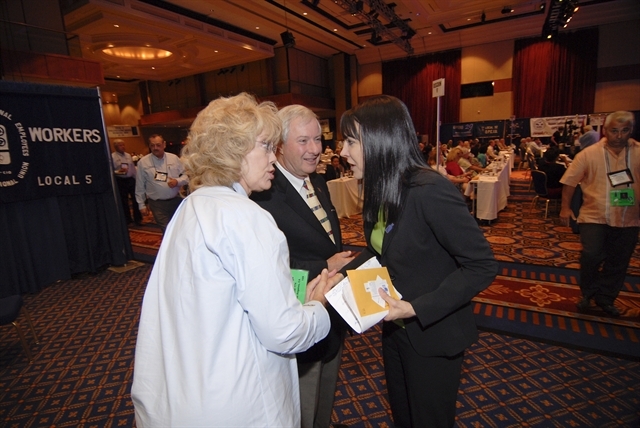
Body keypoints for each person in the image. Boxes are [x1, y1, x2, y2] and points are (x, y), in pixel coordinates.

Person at [131, 93, 340, 427]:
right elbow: (285, 332)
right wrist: (318, 305)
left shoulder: (190, 207)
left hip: (187, 394)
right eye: (266, 146)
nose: (273, 157)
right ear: (234, 150)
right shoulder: (248, 217)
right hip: (241, 403)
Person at [339, 95, 498, 427]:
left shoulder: (429, 190)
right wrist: (338, 279)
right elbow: (379, 251)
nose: (342, 152)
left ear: (380, 140)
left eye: (351, 141)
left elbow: (481, 265)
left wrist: (416, 308)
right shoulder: (382, 189)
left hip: (433, 334)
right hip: (396, 331)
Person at [251, 104, 354, 428]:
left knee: (324, 400)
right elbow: (266, 262)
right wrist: (323, 265)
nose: (315, 149)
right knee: (301, 408)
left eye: (318, 139)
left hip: (330, 314)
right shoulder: (264, 193)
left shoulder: (317, 181)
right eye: (303, 141)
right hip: (296, 319)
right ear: (280, 146)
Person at [560, 111, 640, 317]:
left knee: (619, 260)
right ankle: (588, 293)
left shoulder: (639, 152)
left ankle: (606, 298)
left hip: (629, 217)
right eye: (614, 131)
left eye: (625, 131)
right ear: (605, 130)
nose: (619, 136)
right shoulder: (588, 154)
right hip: (594, 215)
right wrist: (565, 207)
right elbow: (569, 181)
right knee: (591, 255)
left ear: (631, 130)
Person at [135, 134, 189, 232]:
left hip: (175, 201)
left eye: (158, 145)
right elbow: (140, 185)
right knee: (167, 230)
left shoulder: (174, 158)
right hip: (157, 204)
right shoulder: (143, 162)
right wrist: (141, 205)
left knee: (179, 229)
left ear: (164, 144)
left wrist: (177, 181)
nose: (155, 148)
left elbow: (186, 176)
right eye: (152, 145)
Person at [111, 138, 142, 225]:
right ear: (116, 147)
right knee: (124, 201)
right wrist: (118, 171)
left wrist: (137, 179)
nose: (123, 147)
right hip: (120, 180)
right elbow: (110, 171)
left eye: (123, 145)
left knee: (136, 199)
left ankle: (138, 219)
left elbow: (132, 168)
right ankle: (127, 219)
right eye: (120, 145)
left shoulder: (128, 155)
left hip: (130, 179)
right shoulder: (112, 157)